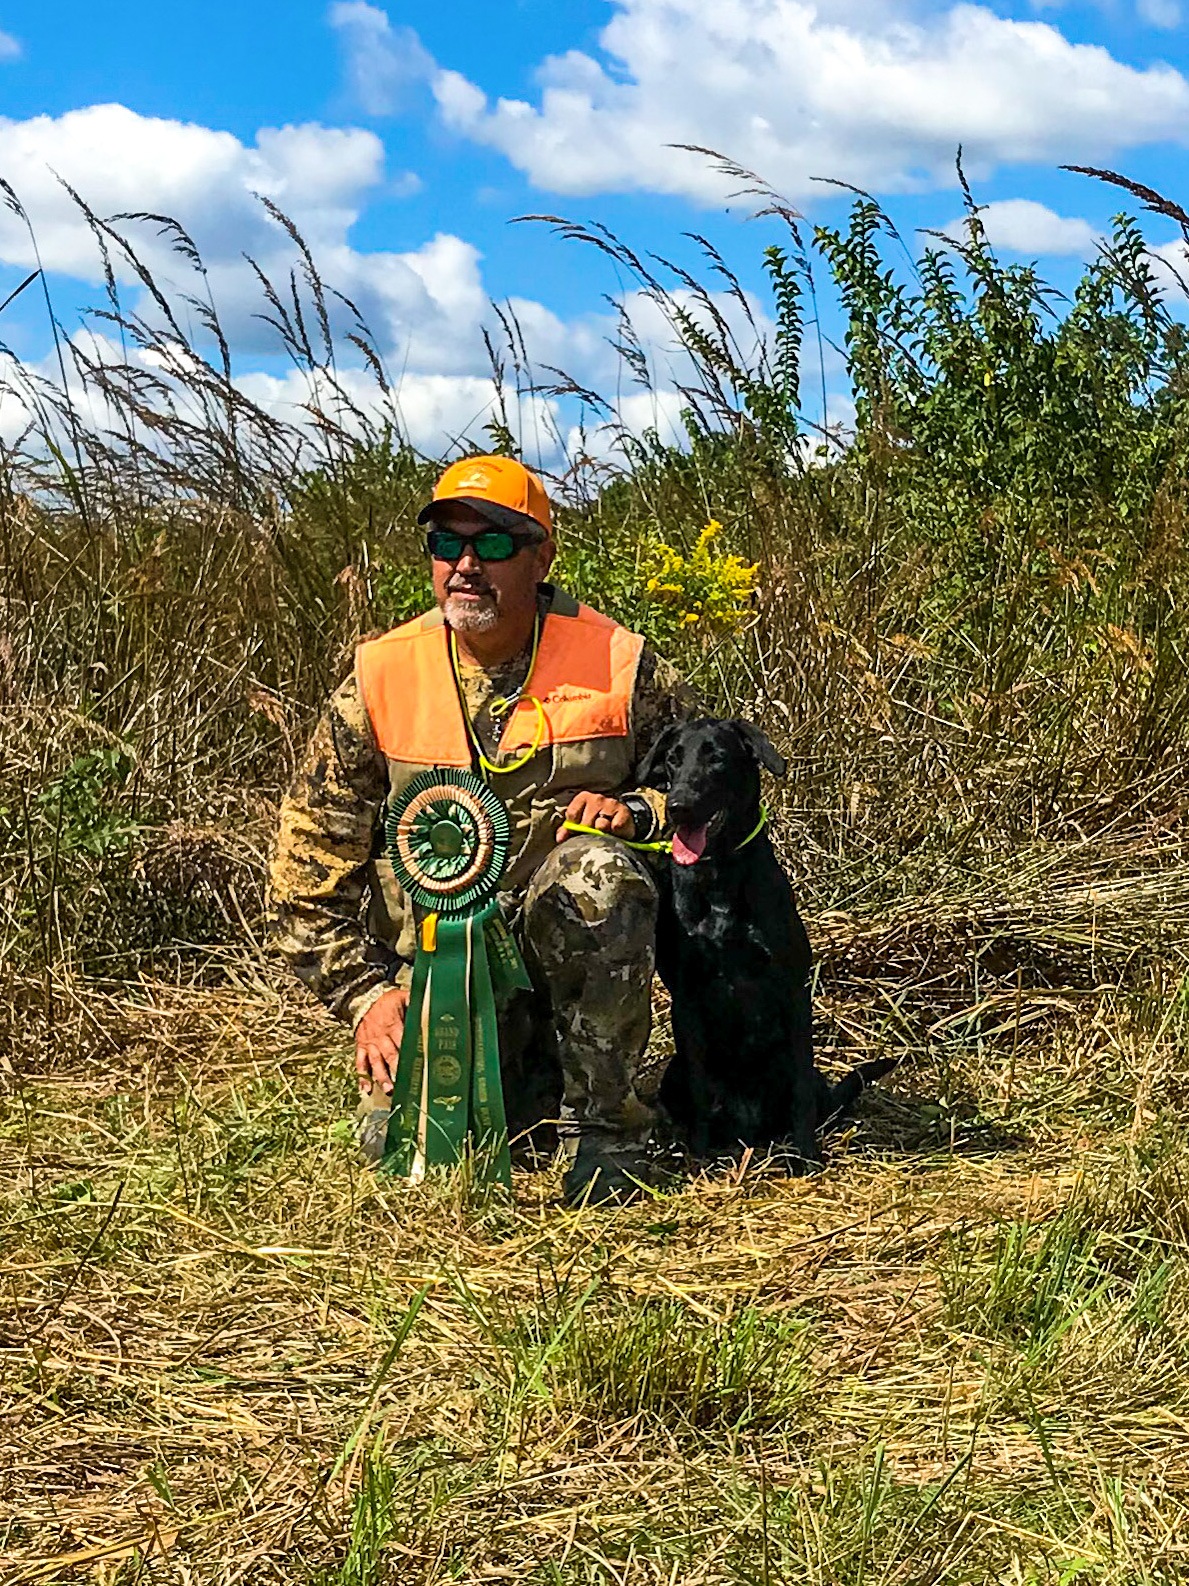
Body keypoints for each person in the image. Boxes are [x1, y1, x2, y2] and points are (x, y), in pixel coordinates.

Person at [269, 454, 698, 1204]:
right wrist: (365, 999)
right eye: (447, 544)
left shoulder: (621, 664)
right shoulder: (379, 673)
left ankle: (603, 1127)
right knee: (398, 1151)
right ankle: (496, 1091)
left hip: (576, 987)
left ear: (541, 557)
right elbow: (308, 867)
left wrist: (633, 814)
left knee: (596, 875)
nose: (466, 565)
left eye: (494, 543)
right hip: (439, 988)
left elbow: (699, 801)